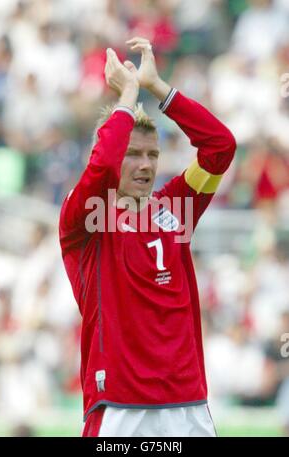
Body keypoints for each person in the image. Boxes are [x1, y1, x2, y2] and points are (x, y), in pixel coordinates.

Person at [59, 37, 236, 437]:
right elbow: (102, 165)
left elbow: (220, 146)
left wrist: (160, 90)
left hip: (187, 404)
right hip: (120, 406)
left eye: (152, 156)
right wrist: (128, 96)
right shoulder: (85, 218)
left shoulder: (177, 207)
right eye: (133, 154)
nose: (144, 165)